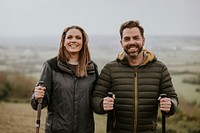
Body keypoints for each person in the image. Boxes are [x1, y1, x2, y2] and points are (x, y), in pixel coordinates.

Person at [92, 20, 178, 133]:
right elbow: (95, 98)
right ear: (121, 43)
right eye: (127, 39)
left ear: (143, 40)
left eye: (136, 38)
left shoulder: (160, 69)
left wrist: (170, 105)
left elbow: (173, 98)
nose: (131, 42)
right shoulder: (110, 69)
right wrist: (102, 104)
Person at [31, 25, 98, 133]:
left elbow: (96, 99)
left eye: (78, 38)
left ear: (84, 42)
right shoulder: (51, 66)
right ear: (63, 41)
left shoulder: (91, 68)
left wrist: (103, 102)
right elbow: (38, 104)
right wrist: (36, 96)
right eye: (70, 37)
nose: (74, 40)